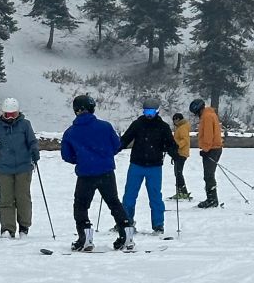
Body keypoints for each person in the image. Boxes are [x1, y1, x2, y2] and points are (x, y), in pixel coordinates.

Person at [60, 93, 134, 251]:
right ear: (92, 108)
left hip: (86, 173)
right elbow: (116, 146)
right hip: (106, 171)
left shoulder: (71, 132)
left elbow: (66, 156)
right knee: (114, 203)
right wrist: (104, 156)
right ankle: (126, 231)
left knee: (81, 206)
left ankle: (84, 236)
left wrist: (81, 159)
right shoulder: (105, 126)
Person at [0, 97, 40, 238]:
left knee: (23, 198)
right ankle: (7, 228)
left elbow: (32, 141)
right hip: (4, 168)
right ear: (3, 113)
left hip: (24, 167)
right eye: (7, 114)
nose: (10, 117)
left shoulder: (25, 125)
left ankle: (24, 227)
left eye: (13, 114)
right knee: (6, 199)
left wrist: (34, 150)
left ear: (18, 113)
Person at [120, 95, 178, 235]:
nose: (149, 115)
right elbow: (125, 139)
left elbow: (171, 144)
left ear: (157, 111)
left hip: (154, 166)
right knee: (129, 195)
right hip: (136, 165)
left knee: (155, 196)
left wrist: (175, 154)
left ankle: (158, 225)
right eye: (146, 112)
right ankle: (126, 222)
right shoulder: (137, 124)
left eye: (151, 112)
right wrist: (112, 149)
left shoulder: (163, 127)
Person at [191, 97, 224, 208]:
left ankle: (212, 200)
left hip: (212, 149)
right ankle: (211, 198)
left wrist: (205, 149)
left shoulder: (207, 117)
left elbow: (208, 135)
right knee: (209, 175)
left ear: (198, 109)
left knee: (209, 175)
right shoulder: (210, 114)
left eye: (196, 113)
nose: (196, 115)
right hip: (213, 148)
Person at [170, 112, 192, 199]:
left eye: (174, 120)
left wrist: (177, 147)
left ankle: (182, 192)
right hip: (180, 153)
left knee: (178, 172)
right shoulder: (181, 127)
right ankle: (181, 191)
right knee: (178, 172)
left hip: (181, 153)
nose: (174, 122)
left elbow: (185, 140)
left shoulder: (182, 128)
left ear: (178, 119)